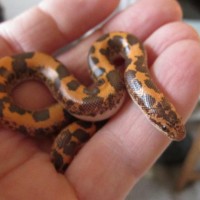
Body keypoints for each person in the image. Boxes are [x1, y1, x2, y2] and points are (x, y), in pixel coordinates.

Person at [0, 0, 200, 199]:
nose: (170, 132)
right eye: (165, 127)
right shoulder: (126, 66)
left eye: (166, 127)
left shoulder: (130, 66)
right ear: (147, 109)